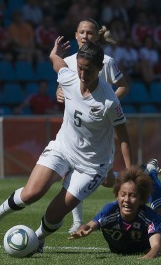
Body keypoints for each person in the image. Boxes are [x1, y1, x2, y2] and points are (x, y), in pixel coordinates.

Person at [0, 39, 132, 255]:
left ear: (100, 69)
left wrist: (130, 173)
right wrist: (54, 52)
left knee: (55, 213)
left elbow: (124, 137)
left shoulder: (109, 102)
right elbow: (57, 63)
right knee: (31, 193)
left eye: (88, 70)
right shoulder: (69, 78)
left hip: (91, 165)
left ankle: (38, 238)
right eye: (80, 68)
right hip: (63, 148)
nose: (82, 74)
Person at [55, 18, 130, 234]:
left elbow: (123, 87)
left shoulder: (106, 61)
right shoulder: (69, 61)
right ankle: (76, 220)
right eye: (81, 32)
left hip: (99, 132)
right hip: (73, 128)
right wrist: (58, 93)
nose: (85, 36)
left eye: (89, 33)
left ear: (97, 36)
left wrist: (106, 108)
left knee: (106, 180)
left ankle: (127, 184)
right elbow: (62, 88)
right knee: (68, 173)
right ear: (76, 35)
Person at [69, 159, 161, 259]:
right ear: (117, 196)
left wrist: (146, 257)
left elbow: (156, 247)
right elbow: (89, 225)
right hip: (121, 247)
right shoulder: (110, 211)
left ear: (141, 200)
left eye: (133, 196)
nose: (126, 200)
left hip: (153, 231)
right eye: (123, 195)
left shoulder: (150, 218)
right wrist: (83, 230)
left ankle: (151, 173)